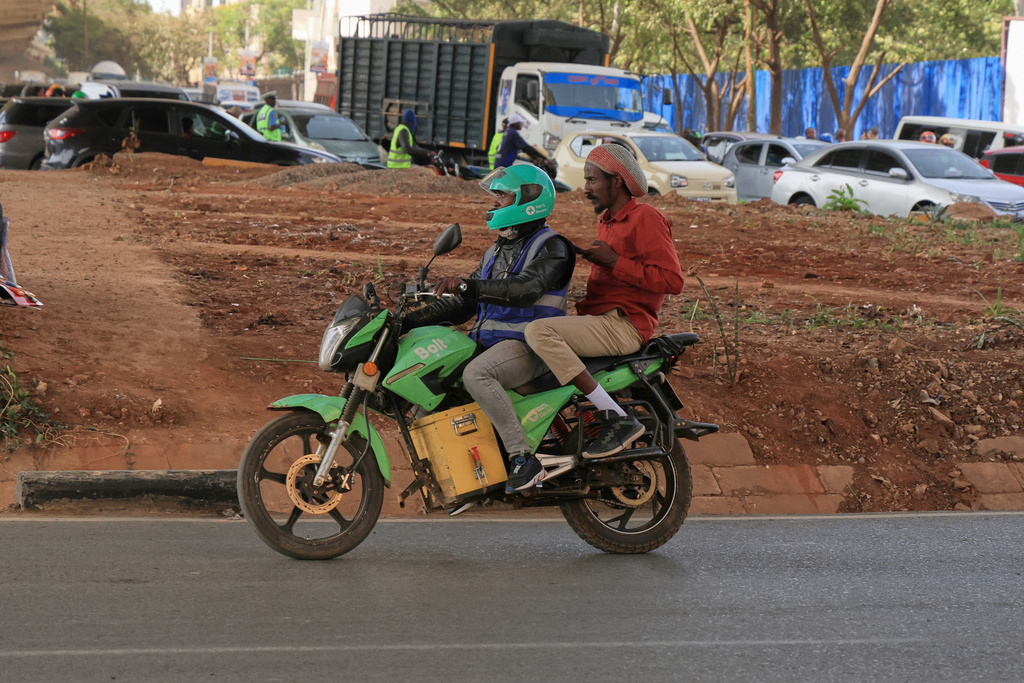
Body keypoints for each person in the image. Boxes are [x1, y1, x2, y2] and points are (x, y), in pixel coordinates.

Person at [402, 165, 575, 494]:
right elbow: (464, 305)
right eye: (495, 195)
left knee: (476, 375)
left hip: (530, 347)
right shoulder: (494, 252)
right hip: (494, 346)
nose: (495, 202)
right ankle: (464, 475)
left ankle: (523, 457)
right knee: (436, 382)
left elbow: (525, 289)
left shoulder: (553, 247)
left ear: (529, 199)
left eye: (503, 195)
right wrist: (407, 321)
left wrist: (469, 287)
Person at [523, 143, 684, 470]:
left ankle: (614, 416)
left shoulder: (646, 218)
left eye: (592, 180)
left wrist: (615, 262)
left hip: (624, 325)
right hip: (600, 321)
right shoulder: (608, 222)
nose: (586, 189)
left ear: (617, 181)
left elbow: (672, 281)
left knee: (539, 332)